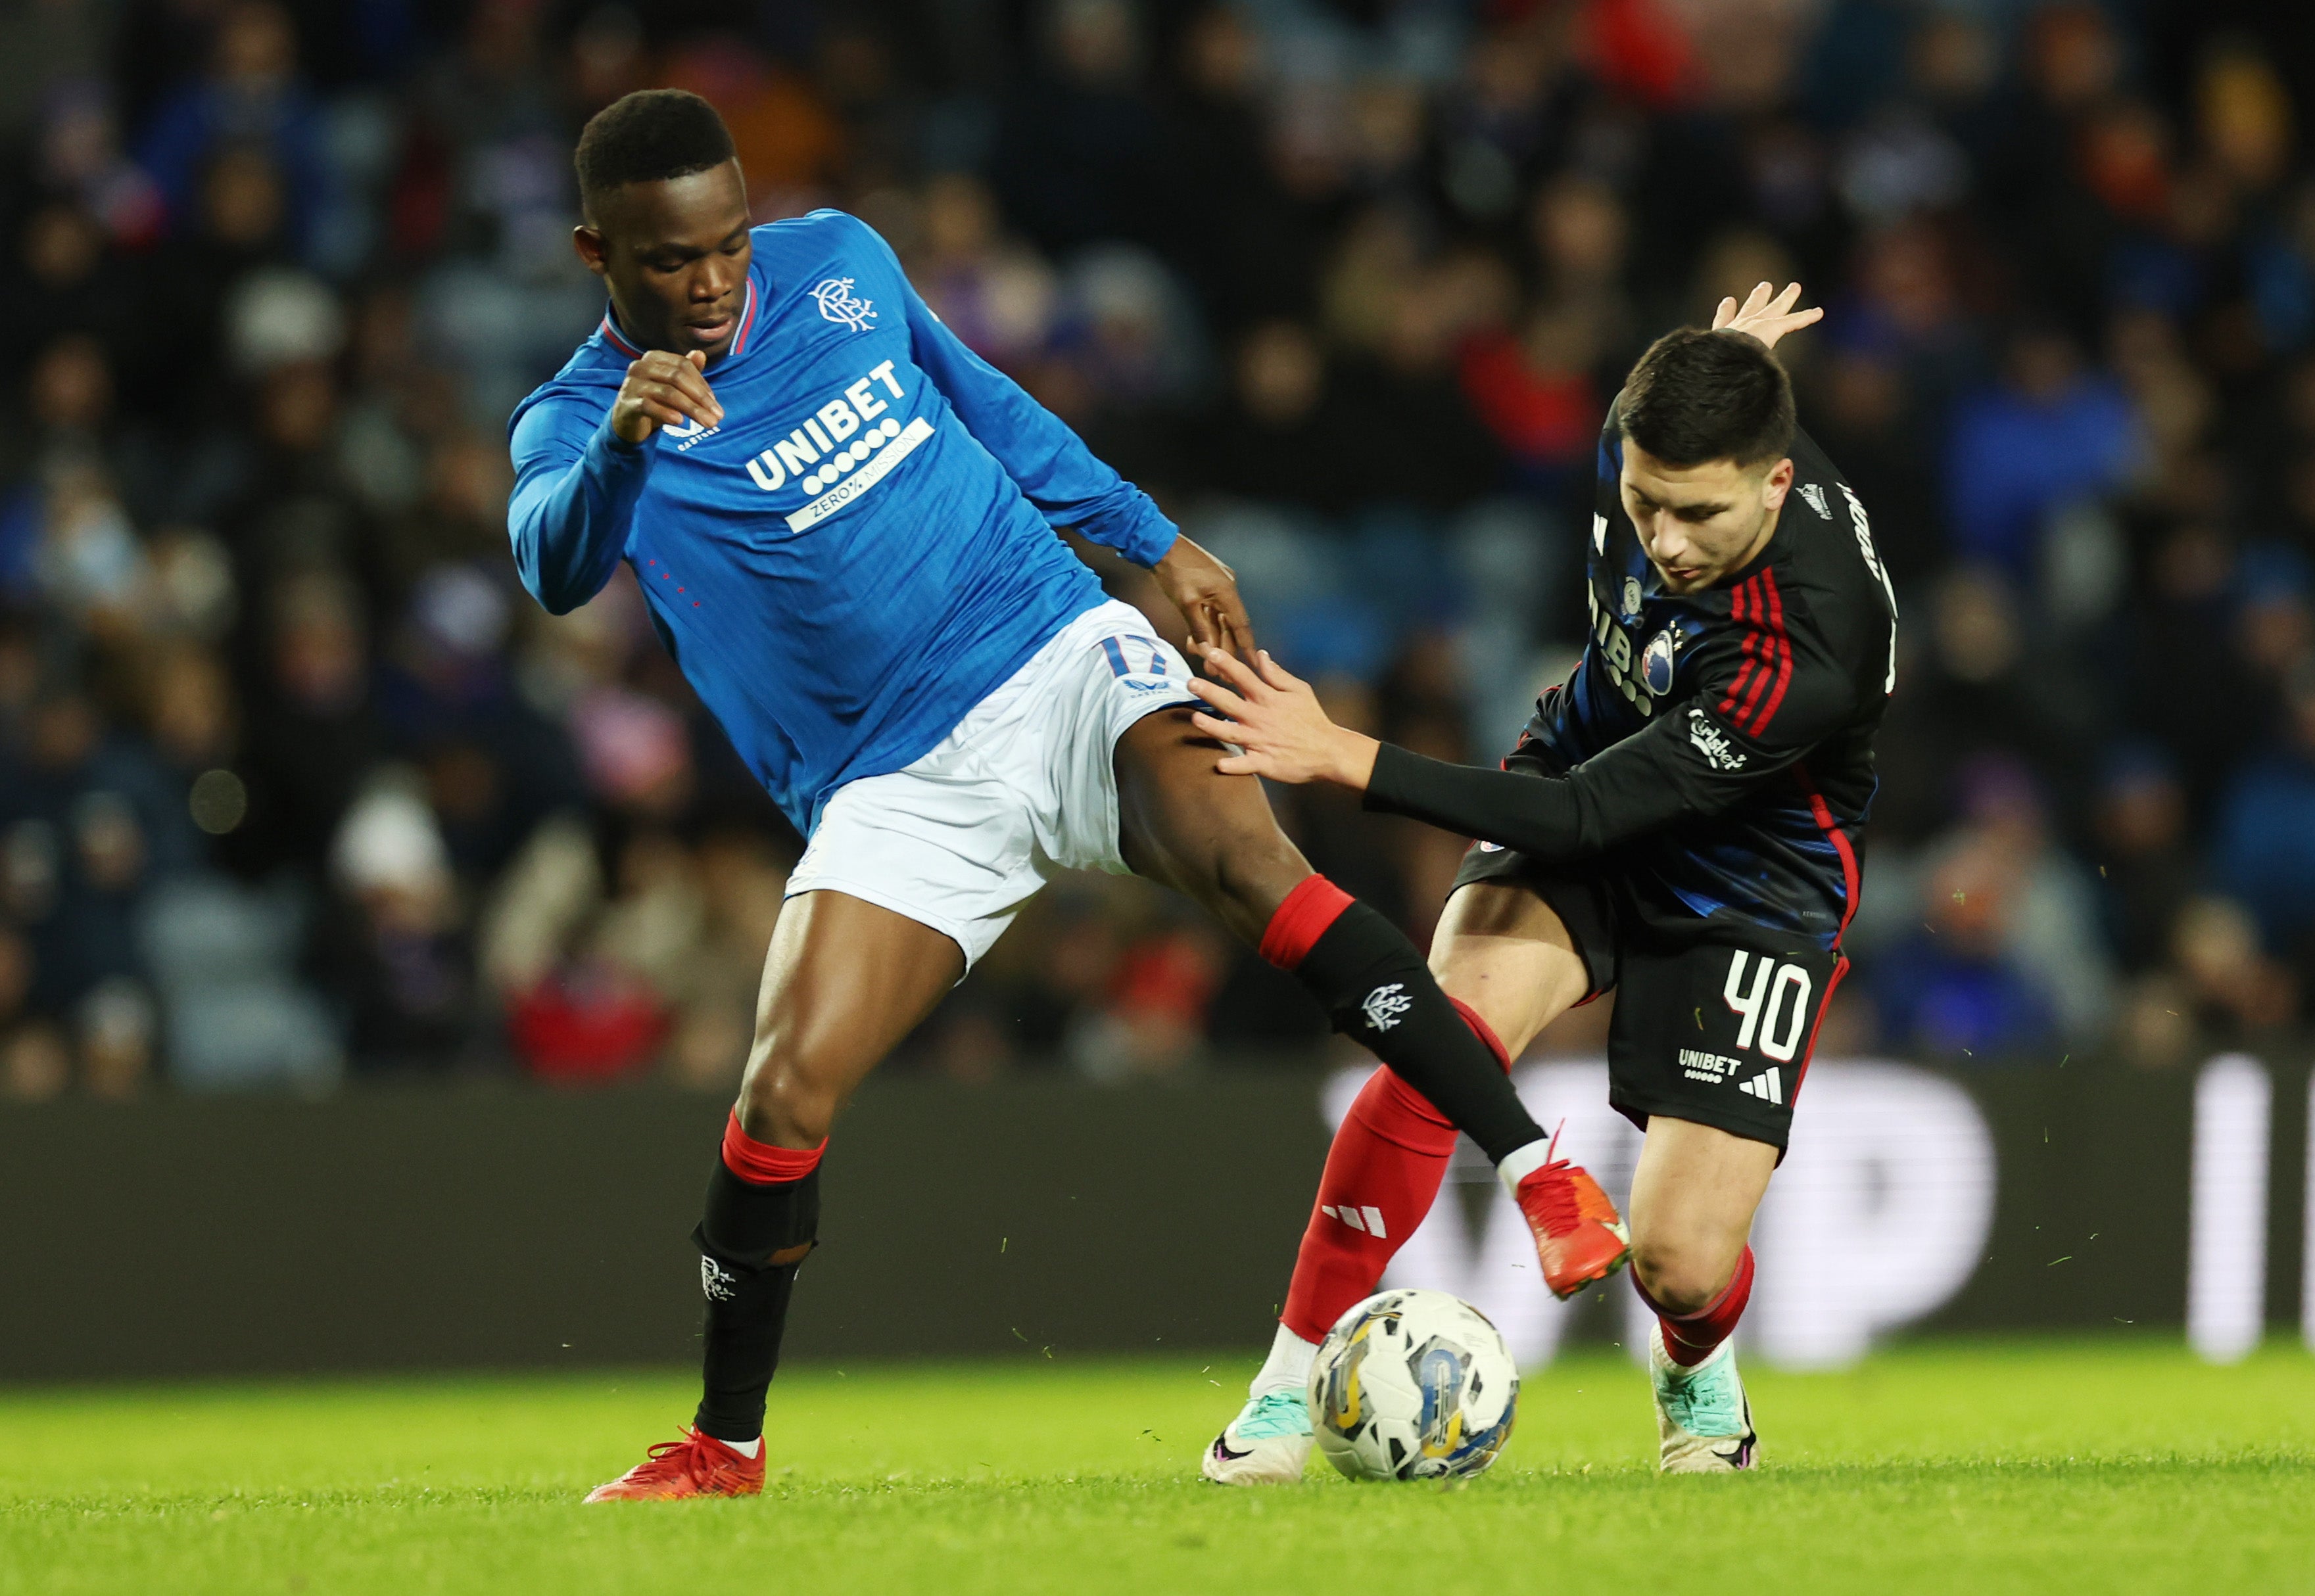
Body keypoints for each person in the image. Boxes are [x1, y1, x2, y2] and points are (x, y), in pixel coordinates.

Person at [506, 91, 1626, 1503]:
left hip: (1048, 648)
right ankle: (724, 1446)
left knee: (1251, 864)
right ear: (595, 250)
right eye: (672, 260)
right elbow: (552, 562)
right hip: (895, 778)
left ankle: (1537, 1169)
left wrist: (1149, 541)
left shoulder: (841, 261)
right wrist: (619, 441)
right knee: (783, 1088)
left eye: (729, 241)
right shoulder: (569, 420)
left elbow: (988, 406)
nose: (717, 280)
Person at [1192, 287, 1895, 1478]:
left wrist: (1346, 756)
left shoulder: (1814, 642)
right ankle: (1276, 1391)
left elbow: (1588, 817)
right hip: (1587, 764)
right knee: (1437, 1041)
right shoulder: (1669, 439)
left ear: (1776, 486)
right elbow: (1578, 797)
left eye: (1698, 514)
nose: (1663, 539)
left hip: (1755, 881)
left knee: (1679, 1261)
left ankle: (1694, 1369)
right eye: (1642, 502)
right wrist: (1738, 354)